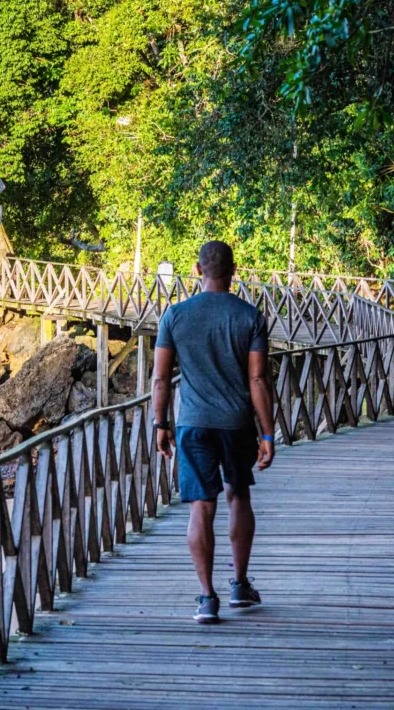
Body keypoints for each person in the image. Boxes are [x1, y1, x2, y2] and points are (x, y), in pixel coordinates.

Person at [152, 241, 275, 624]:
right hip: (236, 424)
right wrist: (268, 434)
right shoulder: (249, 316)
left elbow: (159, 379)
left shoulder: (174, 315)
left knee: (200, 507)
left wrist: (160, 424)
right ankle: (239, 585)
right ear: (233, 270)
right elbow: (257, 378)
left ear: (197, 269)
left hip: (192, 424)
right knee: (238, 498)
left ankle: (207, 599)